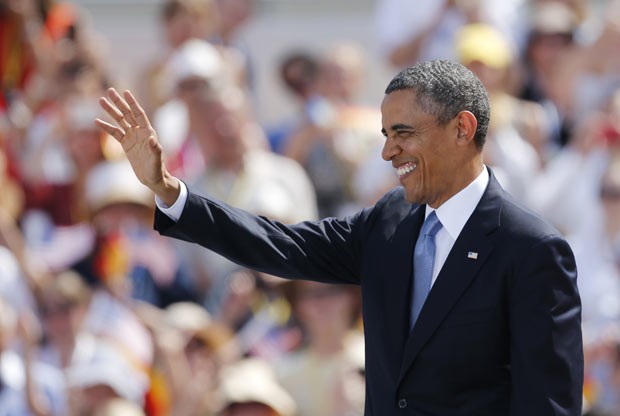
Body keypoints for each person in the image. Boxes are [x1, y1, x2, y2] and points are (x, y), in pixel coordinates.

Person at [96, 59, 583, 414]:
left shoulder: (531, 250)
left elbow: (547, 405)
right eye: (385, 133)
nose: (388, 151)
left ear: (462, 129)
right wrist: (168, 191)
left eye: (403, 132)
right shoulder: (391, 220)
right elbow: (283, 245)